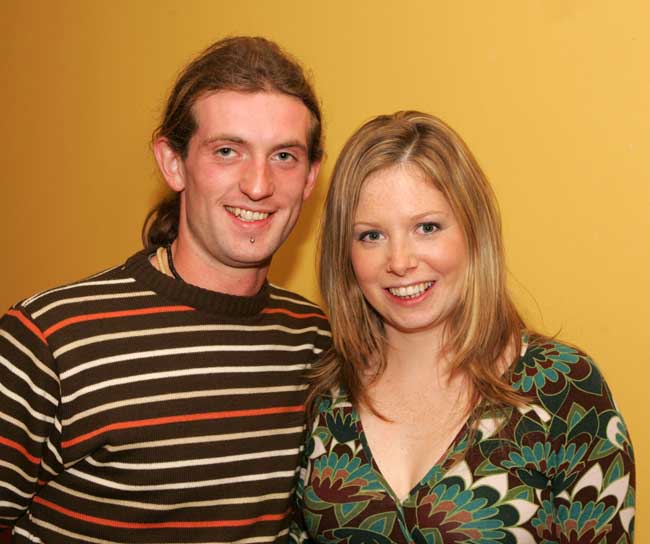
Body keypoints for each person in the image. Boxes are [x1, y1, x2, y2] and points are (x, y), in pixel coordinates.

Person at [0, 36, 331, 543]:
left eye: (284, 156)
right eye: (227, 151)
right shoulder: (49, 339)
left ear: (310, 177)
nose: (259, 184)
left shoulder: (316, 341)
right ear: (173, 162)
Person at [291, 111, 635, 543]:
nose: (400, 261)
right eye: (371, 236)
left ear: (474, 232)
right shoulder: (324, 392)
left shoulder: (565, 389)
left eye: (427, 227)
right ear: (345, 252)